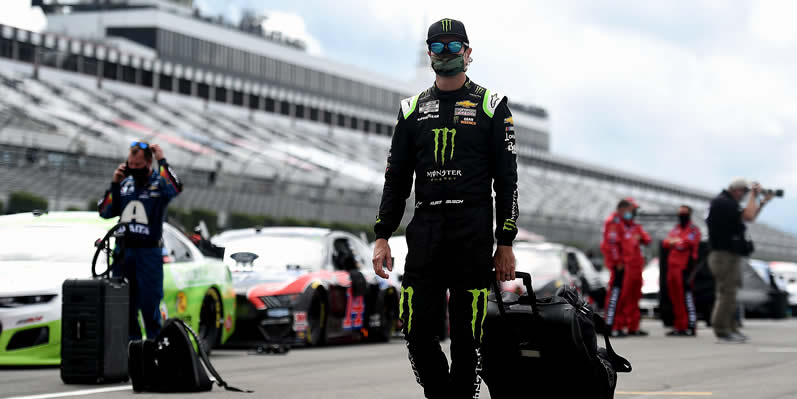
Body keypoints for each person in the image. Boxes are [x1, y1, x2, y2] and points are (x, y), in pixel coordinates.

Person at [371, 18, 519, 399]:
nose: (446, 54)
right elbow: (396, 178)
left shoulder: (492, 107)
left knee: (469, 334)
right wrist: (382, 235)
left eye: (454, 48)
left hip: (471, 230)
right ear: (429, 54)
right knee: (415, 328)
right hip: (426, 231)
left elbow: (507, 182)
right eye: (438, 48)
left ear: (468, 54)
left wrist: (506, 241)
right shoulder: (410, 110)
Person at [98, 141, 183, 339]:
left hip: (149, 253)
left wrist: (162, 159)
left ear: (148, 162)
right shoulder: (124, 184)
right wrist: (115, 184)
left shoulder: (159, 183)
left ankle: (154, 351)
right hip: (123, 253)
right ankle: (132, 352)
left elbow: (176, 187)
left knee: (149, 305)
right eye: (131, 165)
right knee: (123, 307)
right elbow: (104, 211)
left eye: (138, 165)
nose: (134, 169)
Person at [706, 179, 774, 343]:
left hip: (729, 255)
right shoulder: (723, 203)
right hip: (723, 255)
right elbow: (748, 215)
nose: (744, 196)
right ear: (737, 190)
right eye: (744, 192)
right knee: (726, 293)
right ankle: (722, 330)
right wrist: (754, 195)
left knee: (731, 293)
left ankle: (731, 328)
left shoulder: (727, 203)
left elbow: (747, 217)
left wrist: (762, 202)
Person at [614, 198, 651, 337]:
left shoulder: (636, 227)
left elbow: (647, 239)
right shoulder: (618, 225)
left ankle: (633, 327)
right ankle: (617, 325)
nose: (633, 212)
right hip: (626, 266)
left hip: (637, 267)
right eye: (632, 209)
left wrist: (639, 237)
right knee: (622, 296)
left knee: (635, 297)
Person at [662, 205, 701, 336]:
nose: (681, 215)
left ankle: (690, 326)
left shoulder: (693, 230)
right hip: (672, 268)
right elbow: (666, 243)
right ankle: (680, 326)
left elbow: (686, 243)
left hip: (685, 268)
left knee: (686, 297)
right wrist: (675, 241)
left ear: (689, 214)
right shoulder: (676, 229)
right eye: (680, 213)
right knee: (675, 298)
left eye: (684, 213)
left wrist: (676, 242)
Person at [600, 199, 633, 334]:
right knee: (614, 294)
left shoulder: (620, 222)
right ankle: (609, 326)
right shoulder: (614, 222)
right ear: (623, 209)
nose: (630, 213)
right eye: (629, 210)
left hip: (622, 263)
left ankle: (614, 325)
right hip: (617, 264)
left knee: (618, 295)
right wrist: (618, 261)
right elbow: (612, 244)